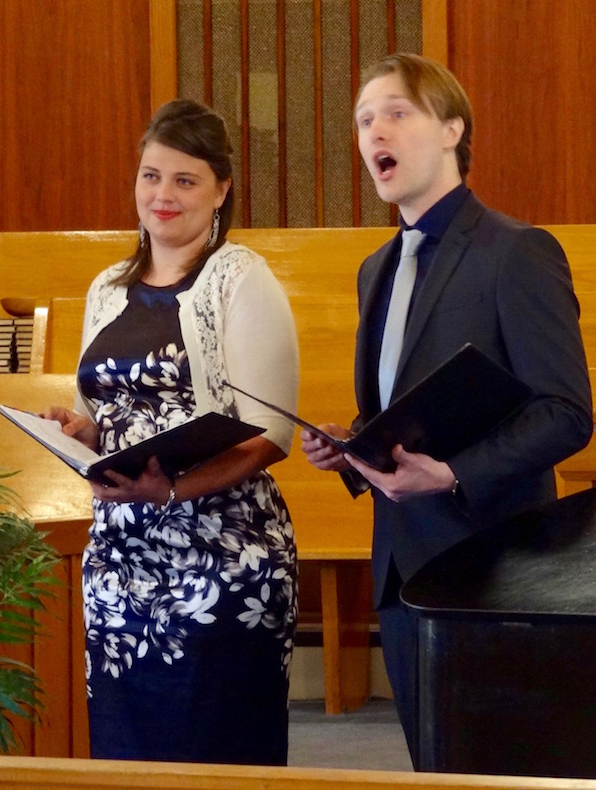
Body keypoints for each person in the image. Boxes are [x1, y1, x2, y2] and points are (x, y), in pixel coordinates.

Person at [301, 53, 592, 766]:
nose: (376, 132)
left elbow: (566, 410)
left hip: (498, 573)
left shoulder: (516, 252)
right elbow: (401, 413)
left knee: (506, 771)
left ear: (452, 129)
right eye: (364, 120)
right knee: (432, 771)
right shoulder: (376, 268)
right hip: (403, 576)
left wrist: (453, 473)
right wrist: (354, 446)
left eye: (397, 112)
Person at [44, 99, 300, 765]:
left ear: (221, 190)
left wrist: (173, 491)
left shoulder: (240, 279)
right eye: (151, 176)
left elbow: (273, 434)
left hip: (222, 560)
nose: (163, 195)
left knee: (214, 755)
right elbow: (104, 412)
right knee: (129, 753)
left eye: (185, 180)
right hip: (119, 566)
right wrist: (80, 429)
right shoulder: (106, 287)